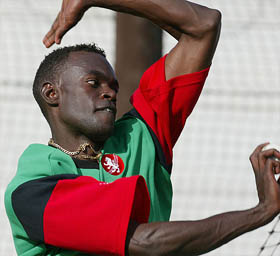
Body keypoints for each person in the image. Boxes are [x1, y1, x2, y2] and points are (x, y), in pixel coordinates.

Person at [4, 0, 280, 255]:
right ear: (52, 93)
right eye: (93, 83)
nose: (110, 93)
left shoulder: (141, 135)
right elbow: (144, 243)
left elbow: (203, 26)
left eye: (114, 86)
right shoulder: (31, 188)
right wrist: (259, 212)